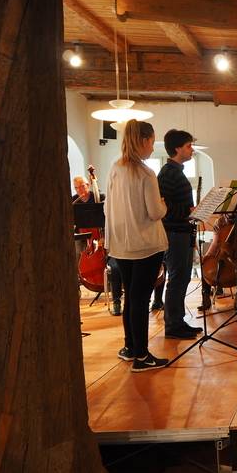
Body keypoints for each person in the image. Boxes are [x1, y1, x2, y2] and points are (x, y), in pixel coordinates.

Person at [104, 120, 169, 372]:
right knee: (140, 299)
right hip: (146, 245)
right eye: (152, 142)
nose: (152, 148)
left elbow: (108, 207)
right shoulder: (145, 173)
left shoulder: (115, 168)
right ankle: (142, 357)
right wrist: (164, 205)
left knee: (131, 296)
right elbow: (154, 212)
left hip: (122, 244)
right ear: (143, 140)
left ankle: (130, 347)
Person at [158, 129, 202, 339]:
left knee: (183, 278)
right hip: (174, 233)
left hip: (182, 232)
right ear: (177, 148)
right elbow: (163, 207)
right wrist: (188, 211)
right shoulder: (168, 172)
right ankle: (172, 326)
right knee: (177, 279)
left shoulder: (177, 171)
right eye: (188, 146)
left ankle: (178, 321)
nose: (191, 149)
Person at [73, 175, 124, 315]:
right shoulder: (74, 201)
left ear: (88, 185)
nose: (80, 190)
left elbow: (110, 218)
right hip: (84, 237)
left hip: (102, 235)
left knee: (114, 262)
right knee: (75, 253)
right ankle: (76, 286)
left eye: (82, 186)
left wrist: (104, 236)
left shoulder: (100, 197)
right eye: (77, 188)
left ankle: (115, 289)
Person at [198, 214, 237, 312]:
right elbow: (215, 243)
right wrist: (207, 255)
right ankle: (205, 298)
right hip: (221, 252)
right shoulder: (219, 222)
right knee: (205, 264)